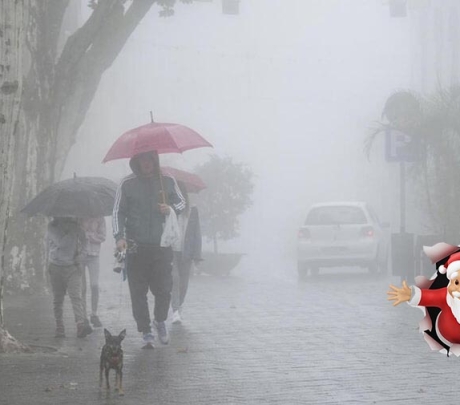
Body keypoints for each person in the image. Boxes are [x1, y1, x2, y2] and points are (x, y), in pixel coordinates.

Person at [113, 151, 185, 347]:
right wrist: (119, 237)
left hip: (161, 246)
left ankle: (159, 320)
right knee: (138, 292)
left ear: (155, 160)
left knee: (164, 289)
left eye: (150, 159)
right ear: (136, 161)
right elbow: (117, 211)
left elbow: (181, 202)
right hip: (136, 247)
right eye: (142, 160)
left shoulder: (167, 180)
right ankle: (146, 331)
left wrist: (169, 208)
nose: (147, 163)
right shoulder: (127, 184)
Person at [388, 248, 460, 356]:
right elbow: (428, 297)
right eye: (457, 282)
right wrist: (411, 295)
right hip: (445, 336)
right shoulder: (446, 296)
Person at [46, 217, 92, 338]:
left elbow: (85, 242)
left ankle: (80, 325)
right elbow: (61, 243)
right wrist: (72, 229)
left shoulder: (76, 226)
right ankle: (59, 326)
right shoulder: (51, 227)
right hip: (56, 267)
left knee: (76, 296)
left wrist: (81, 255)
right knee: (58, 299)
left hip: (73, 267)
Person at [171, 181, 202, 324]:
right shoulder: (170, 209)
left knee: (184, 282)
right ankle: (175, 310)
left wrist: (196, 256)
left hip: (186, 252)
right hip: (172, 250)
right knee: (175, 279)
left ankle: (179, 305)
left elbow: (196, 233)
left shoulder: (192, 211)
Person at [79, 217, 106, 328]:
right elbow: (74, 234)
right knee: (82, 287)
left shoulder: (100, 218)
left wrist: (90, 236)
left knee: (94, 285)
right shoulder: (78, 217)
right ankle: (83, 316)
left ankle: (94, 314)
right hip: (80, 254)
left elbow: (103, 236)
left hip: (94, 255)